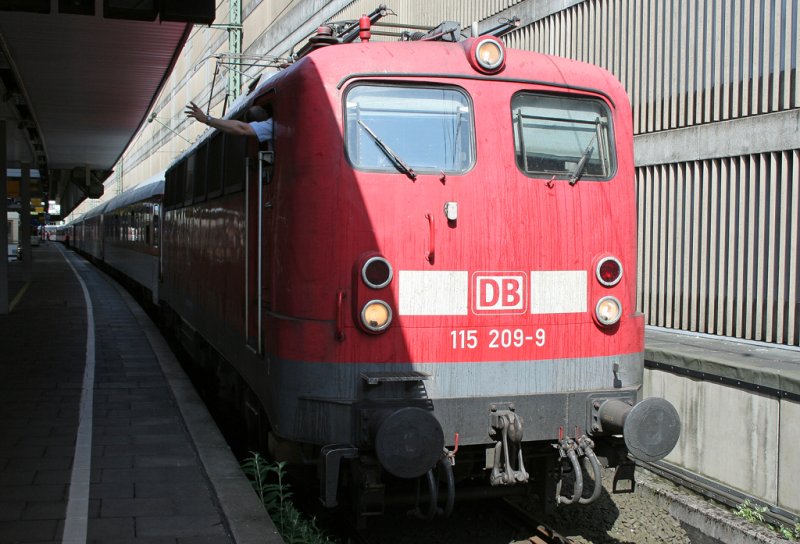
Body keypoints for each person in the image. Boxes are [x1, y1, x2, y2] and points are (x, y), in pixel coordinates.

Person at [184, 102, 273, 143]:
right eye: (263, 112)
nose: (267, 113)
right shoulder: (270, 126)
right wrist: (206, 119)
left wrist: (206, 119)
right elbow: (241, 128)